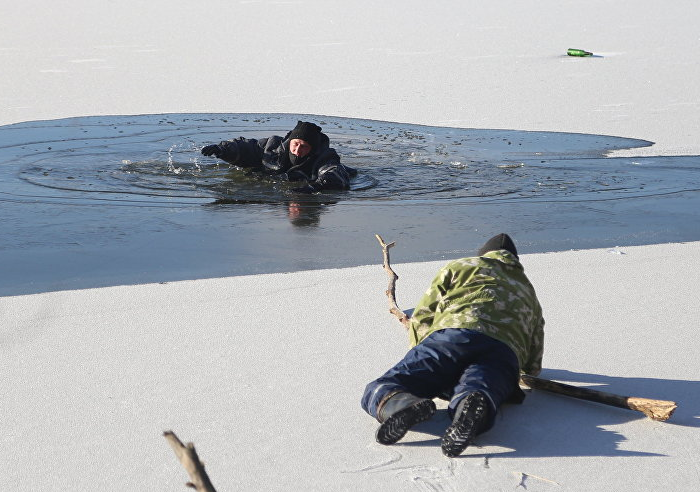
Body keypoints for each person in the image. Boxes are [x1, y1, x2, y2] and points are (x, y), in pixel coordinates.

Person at [361, 233, 545, 457]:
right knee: (484, 384)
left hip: (454, 335)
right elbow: (534, 357)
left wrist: (419, 346)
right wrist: (522, 371)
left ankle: (400, 404)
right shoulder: (527, 289)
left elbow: (425, 313)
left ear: (483, 254)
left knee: (384, 387)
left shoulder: (460, 266)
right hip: (503, 351)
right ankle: (472, 402)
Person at [200, 121, 356, 193]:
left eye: (304, 146)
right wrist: (222, 149)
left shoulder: (324, 157)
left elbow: (333, 172)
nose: (297, 150)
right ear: (290, 142)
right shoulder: (273, 147)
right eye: (295, 144)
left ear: (313, 148)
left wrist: (316, 186)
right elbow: (248, 147)